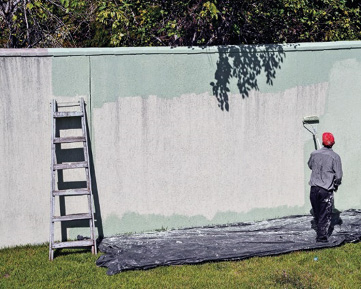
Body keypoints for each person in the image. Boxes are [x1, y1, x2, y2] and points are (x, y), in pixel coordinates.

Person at [307, 132, 343, 242]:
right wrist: (336, 184)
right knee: (324, 213)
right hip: (325, 190)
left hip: (313, 188)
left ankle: (319, 230)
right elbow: (339, 176)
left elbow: (310, 165)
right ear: (333, 143)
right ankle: (321, 238)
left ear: (323, 142)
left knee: (317, 212)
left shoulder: (314, 154)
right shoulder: (335, 157)